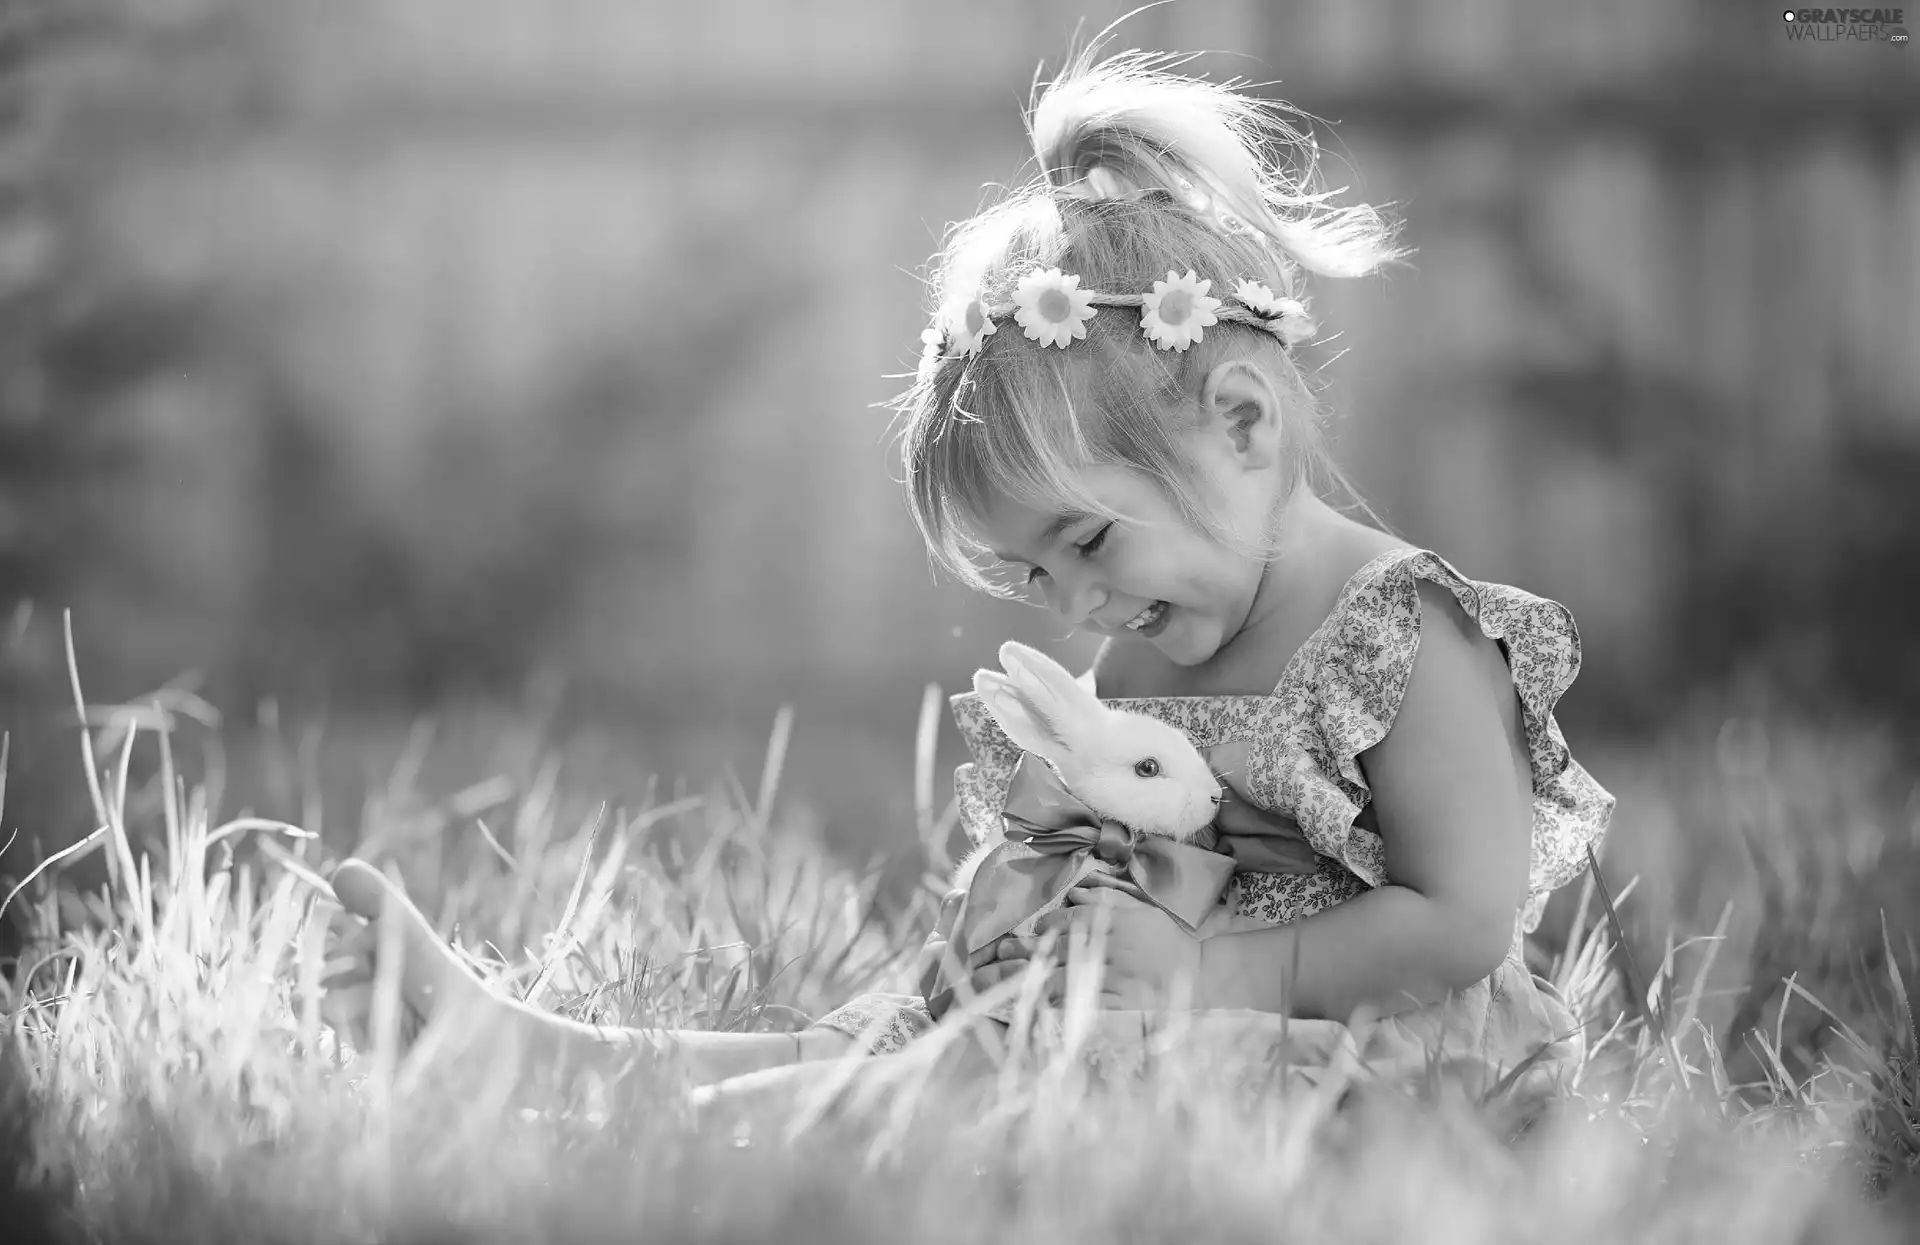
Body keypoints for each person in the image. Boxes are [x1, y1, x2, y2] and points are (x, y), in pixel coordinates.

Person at [322, 45, 1614, 1108]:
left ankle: (721, 1127)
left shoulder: (1408, 635)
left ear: (1242, 421)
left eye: (1090, 543)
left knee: (988, 1093)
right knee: (903, 1041)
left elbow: (1461, 925)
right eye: (1032, 574)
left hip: (1373, 1065)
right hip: (1161, 1020)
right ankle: (557, 1064)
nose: (1079, 608)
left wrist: (1208, 975)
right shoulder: (1159, 633)